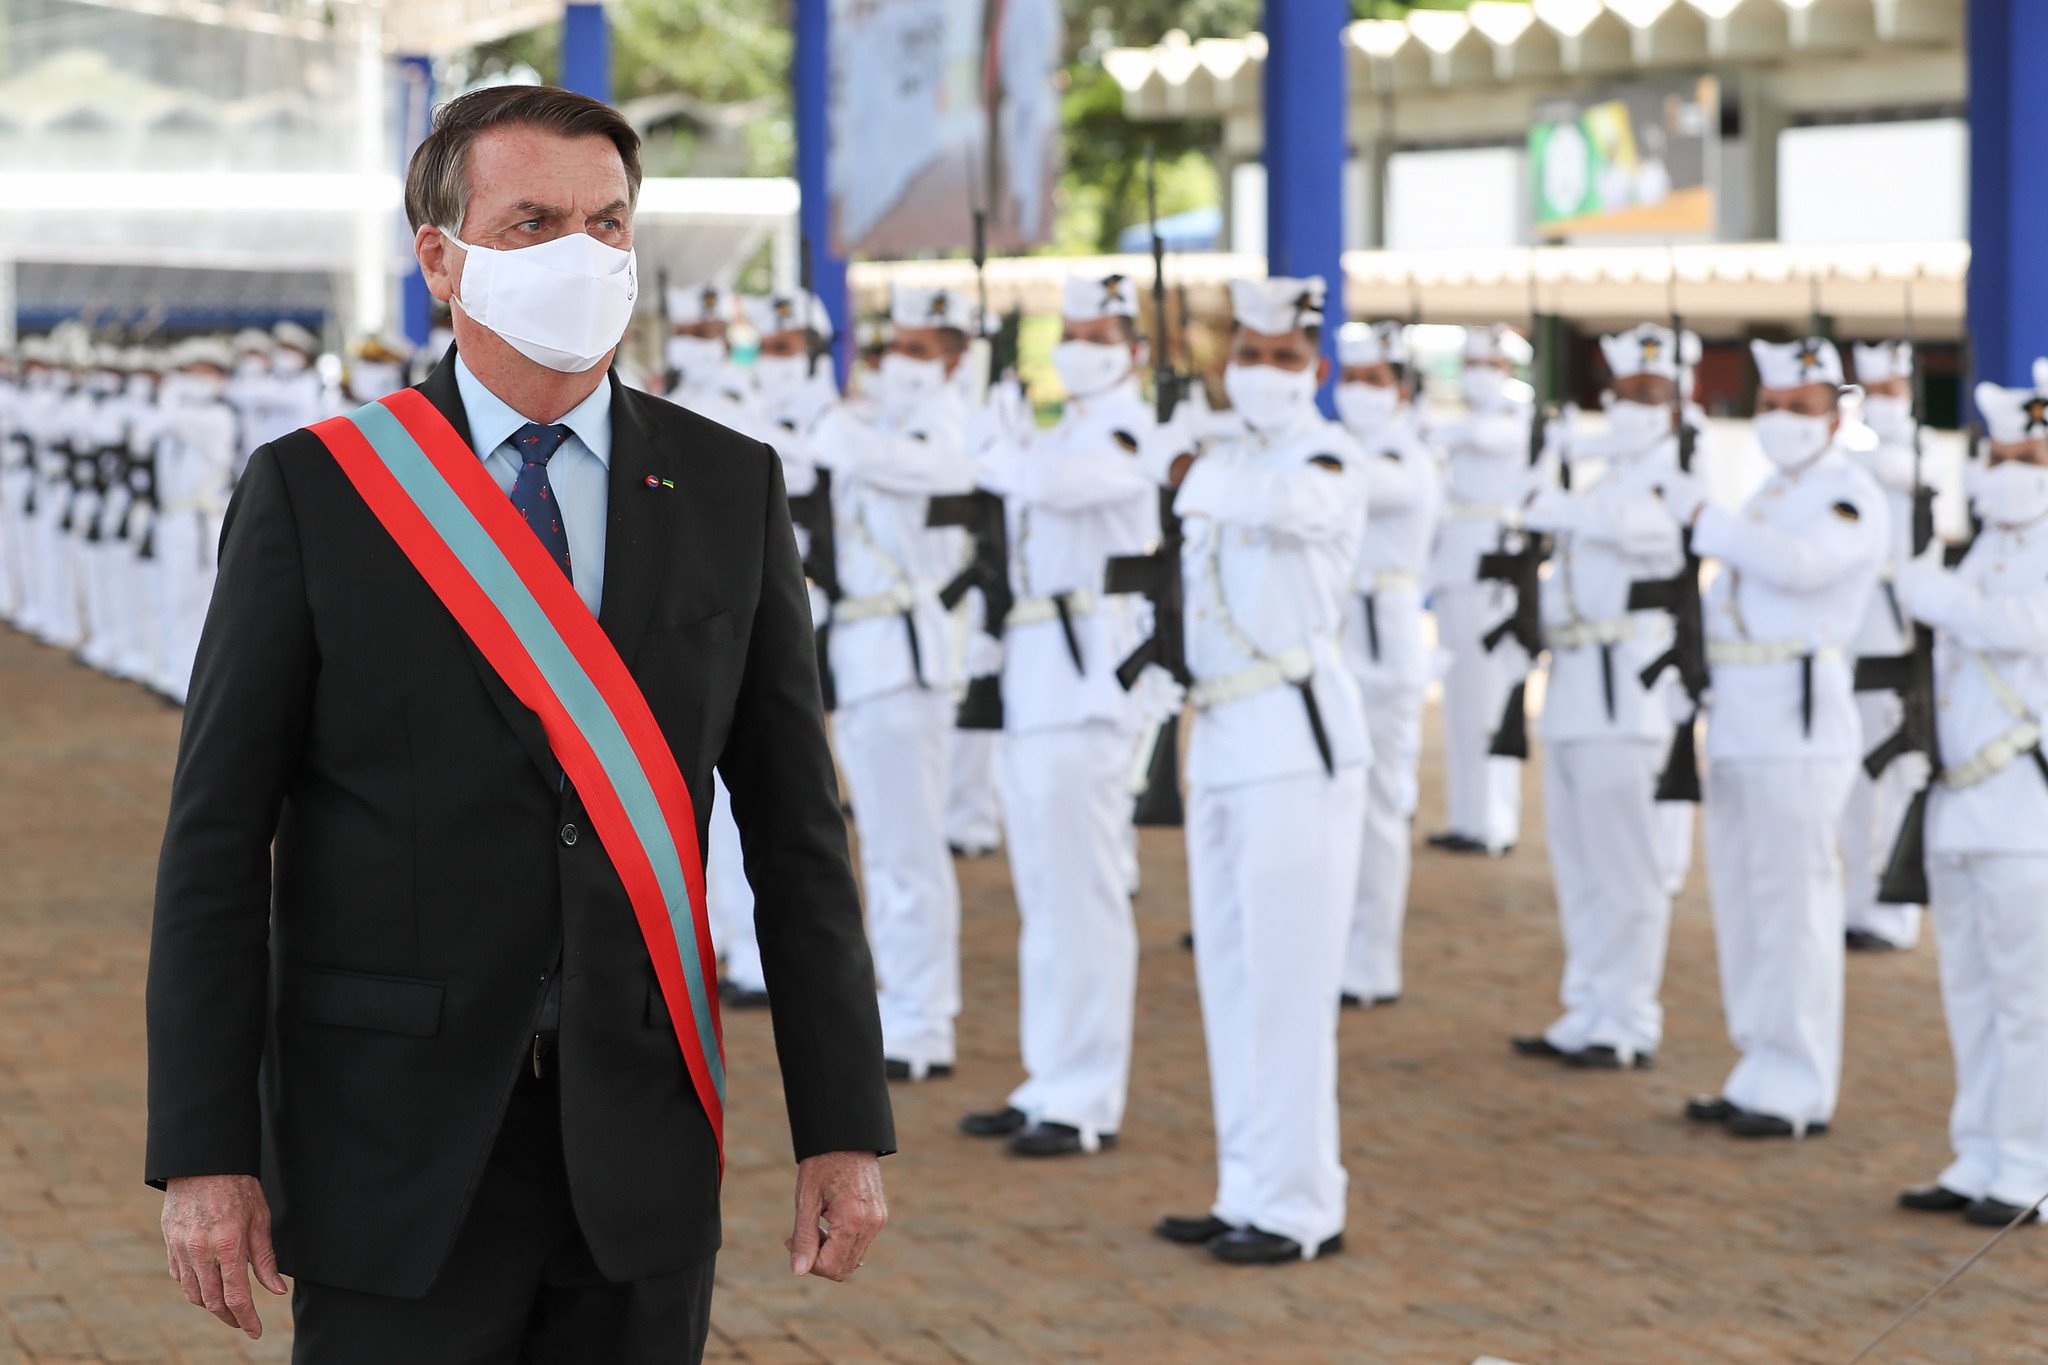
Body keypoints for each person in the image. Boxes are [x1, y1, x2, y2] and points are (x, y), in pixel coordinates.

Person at [145, 86, 892, 1362]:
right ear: (441, 258)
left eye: (606, 224)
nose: (582, 258)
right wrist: (206, 1154)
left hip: (641, 1139)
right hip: (392, 1144)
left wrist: (842, 1126)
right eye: (533, 221)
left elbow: (796, 839)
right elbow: (216, 849)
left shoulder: (726, 485)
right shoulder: (319, 494)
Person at [1150, 277, 1371, 1265]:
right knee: (1231, 982)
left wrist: (1190, 469)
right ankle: (1244, 1185)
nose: (1262, 373)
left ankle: (1298, 1203)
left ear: (1315, 372)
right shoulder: (1225, 455)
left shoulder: (1326, 456)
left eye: (1282, 359)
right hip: (1226, 744)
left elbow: (1290, 510)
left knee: (1287, 987)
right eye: (1247, 353)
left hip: (1295, 745)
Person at [955, 274, 1161, 1158]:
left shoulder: (1132, 430)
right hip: (1040, 678)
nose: (1079, 346)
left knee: (1081, 894)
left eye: (1099, 333)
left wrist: (997, 440)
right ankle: (1050, 1075)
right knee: (1045, 892)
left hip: (1090, 683)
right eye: (1068, 331)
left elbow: (1052, 484)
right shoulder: (1070, 424)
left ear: (1136, 350)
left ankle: (1084, 1095)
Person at [1673, 337, 1888, 1140]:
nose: (1781, 421)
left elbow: (1801, 568)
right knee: (1745, 900)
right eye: (1770, 405)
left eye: (1799, 407)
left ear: (1835, 416)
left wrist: (1705, 520)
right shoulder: (1769, 490)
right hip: (1742, 717)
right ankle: (1756, 1063)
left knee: (1796, 905)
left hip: (1798, 728)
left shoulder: (1848, 495)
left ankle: (1798, 1082)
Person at [1509, 324, 1695, 1071]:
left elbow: (1654, 534)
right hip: (1577, 688)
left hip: (1634, 692)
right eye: (1624, 393)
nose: (1634, 407)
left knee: (1629, 868)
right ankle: (1586, 1005)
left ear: (1680, 403)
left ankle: (1628, 1018)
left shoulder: (1679, 477)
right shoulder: (1604, 476)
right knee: (1579, 862)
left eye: (1652, 394)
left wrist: (1552, 498)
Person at [810, 283, 977, 1082]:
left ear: (955, 356)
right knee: (881, 846)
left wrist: (839, 419)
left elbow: (898, 463)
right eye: (893, 347)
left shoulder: (949, 424)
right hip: (868, 648)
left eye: (919, 349)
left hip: (907, 655)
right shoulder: (883, 421)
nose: (900, 364)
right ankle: (903, 1006)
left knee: (908, 849)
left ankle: (923, 1016)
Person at [1893, 366, 2048, 1228]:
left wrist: (1933, 591)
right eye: (1999, 453)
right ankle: (1978, 1148)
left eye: (2032, 455)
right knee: (1970, 988)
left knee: (2030, 998)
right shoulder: (1985, 541)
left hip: (2028, 806)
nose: (2011, 469)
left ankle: (2030, 1163)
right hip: (1959, 801)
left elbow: (2020, 628)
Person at [1331, 320, 1441, 1009]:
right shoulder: (1344, 450)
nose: (1361, 393)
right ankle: (1341, 945)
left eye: (1374, 381)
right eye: (1351, 379)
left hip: (1382, 645)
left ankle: (1371, 961)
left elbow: (1354, 488)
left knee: (1376, 808)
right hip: (1342, 640)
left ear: (1399, 390)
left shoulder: (1401, 456)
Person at [1426, 323, 1537, 856]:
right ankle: (1467, 818)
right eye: (1471, 365)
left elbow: (1485, 438)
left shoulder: (1515, 412)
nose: (1479, 376)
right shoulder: (1467, 420)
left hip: (1494, 570)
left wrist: (1427, 429)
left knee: (1491, 701)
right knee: (1460, 703)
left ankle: (1496, 823)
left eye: (1489, 366)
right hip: (1455, 567)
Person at [1841, 340, 1932, 953]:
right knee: (1855, 782)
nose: (1882, 404)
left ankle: (1895, 910)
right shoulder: (1853, 457)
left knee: (1896, 776)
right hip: (1854, 635)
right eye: (1873, 393)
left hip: (1899, 642)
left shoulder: (1916, 460)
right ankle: (1859, 902)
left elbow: (1905, 475)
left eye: (1892, 391)